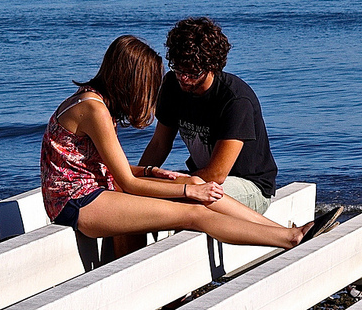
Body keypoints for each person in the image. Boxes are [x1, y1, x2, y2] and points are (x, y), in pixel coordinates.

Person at [40, 35, 340, 248]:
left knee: (195, 190)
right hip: (77, 202)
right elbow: (125, 183)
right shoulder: (94, 109)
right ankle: (290, 238)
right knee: (194, 210)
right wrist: (184, 189)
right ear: (129, 78)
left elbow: (93, 167)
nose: (151, 90)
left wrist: (150, 172)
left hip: (88, 194)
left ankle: (293, 232)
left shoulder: (92, 103)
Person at [139, 17, 276, 213]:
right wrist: (137, 181)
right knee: (140, 197)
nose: (183, 79)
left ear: (212, 66)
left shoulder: (235, 100)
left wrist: (174, 186)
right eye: (178, 70)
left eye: (193, 73)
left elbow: (217, 174)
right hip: (200, 178)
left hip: (250, 186)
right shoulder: (172, 85)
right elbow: (159, 144)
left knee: (184, 198)